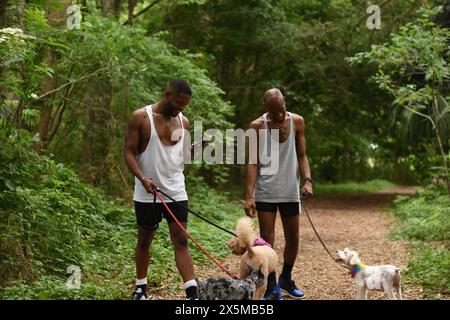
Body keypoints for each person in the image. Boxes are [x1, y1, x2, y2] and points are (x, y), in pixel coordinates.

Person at [123, 79, 198, 300]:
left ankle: (192, 292)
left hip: (175, 190)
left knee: (181, 240)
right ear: (167, 94)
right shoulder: (141, 117)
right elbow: (128, 152)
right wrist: (142, 177)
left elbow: (181, 157)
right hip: (147, 192)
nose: (181, 108)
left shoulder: (183, 122)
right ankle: (140, 287)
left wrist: (192, 150)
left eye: (185, 105)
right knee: (145, 239)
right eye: (178, 103)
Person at [243, 88, 313, 300]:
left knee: (293, 237)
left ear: (285, 102)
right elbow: (253, 162)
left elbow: (302, 155)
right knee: (267, 241)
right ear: (266, 109)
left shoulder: (297, 121)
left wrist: (307, 180)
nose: (280, 114)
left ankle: (286, 278)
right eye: (275, 112)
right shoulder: (257, 126)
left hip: (290, 189)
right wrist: (249, 195)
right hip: (265, 190)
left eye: (282, 109)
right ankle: (271, 285)